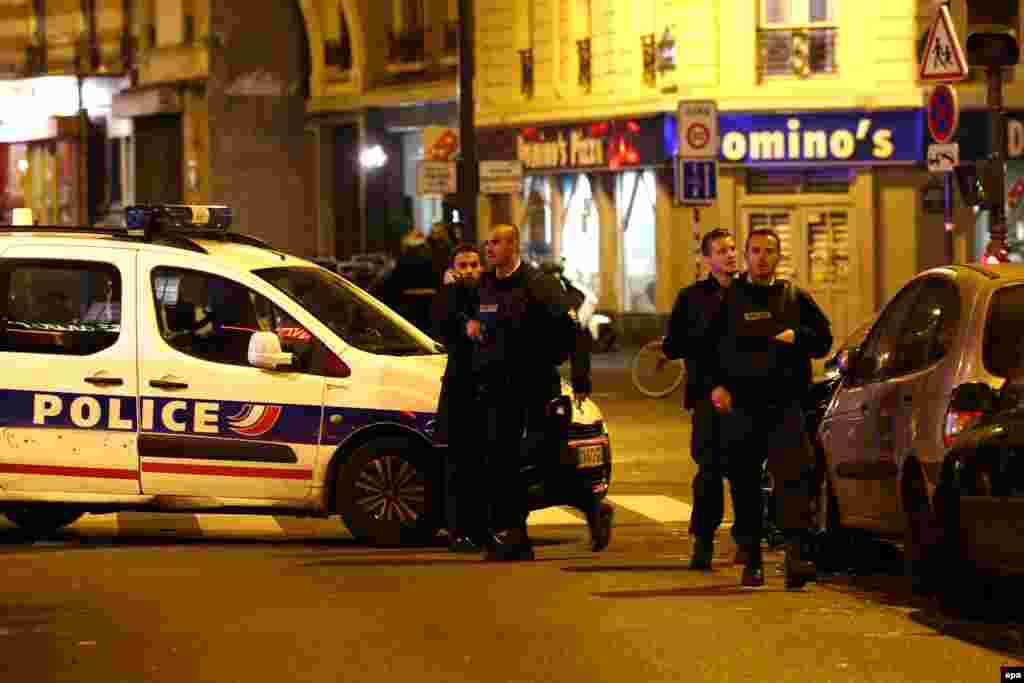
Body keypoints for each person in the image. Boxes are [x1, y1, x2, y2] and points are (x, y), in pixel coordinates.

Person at [467, 223, 605, 560]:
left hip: (536, 386)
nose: (490, 248)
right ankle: (516, 537)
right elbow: (462, 315)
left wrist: (581, 379)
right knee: (502, 463)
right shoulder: (484, 285)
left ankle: (593, 508)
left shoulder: (539, 285)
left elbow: (575, 332)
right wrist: (470, 327)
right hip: (499, 389)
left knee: (546, 463)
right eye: (488, 242)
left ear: (513, 246)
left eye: (497, 242)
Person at [706, 228, 833, 589]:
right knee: (744, 483)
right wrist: (716, 386)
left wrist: (798, 338)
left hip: (786, 405)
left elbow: (823, 339)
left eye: (770, 251)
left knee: (794, 479)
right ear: (746, 257)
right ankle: (753, 559)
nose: (762, 257)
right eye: (756, 251)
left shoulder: (794, 297)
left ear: (779, 257)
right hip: (743, 406)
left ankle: (796, 556)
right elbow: (710, 350)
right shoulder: (730, 299)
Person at [662, 229, 748, 574]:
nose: (729, 255)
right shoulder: (692, 298)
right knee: (709, 474)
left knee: (745, 474)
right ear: (707, 259)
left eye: (732, 249)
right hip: (706, 401)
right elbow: (674, 344)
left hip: (746, 400)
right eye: (721, 251)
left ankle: (747, 540)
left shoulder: (751, 294)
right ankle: (704, 541)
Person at [432, 243, 486, 553]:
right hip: (459, 392)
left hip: (485, 391)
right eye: (462, 266)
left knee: (482, 464)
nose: (468, 271)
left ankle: (481, 527)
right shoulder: (449, 299)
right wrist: (450, 292)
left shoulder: (489, 295)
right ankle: (458, 530)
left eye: (473, 264)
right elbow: (444, 327)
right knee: (457, 465)